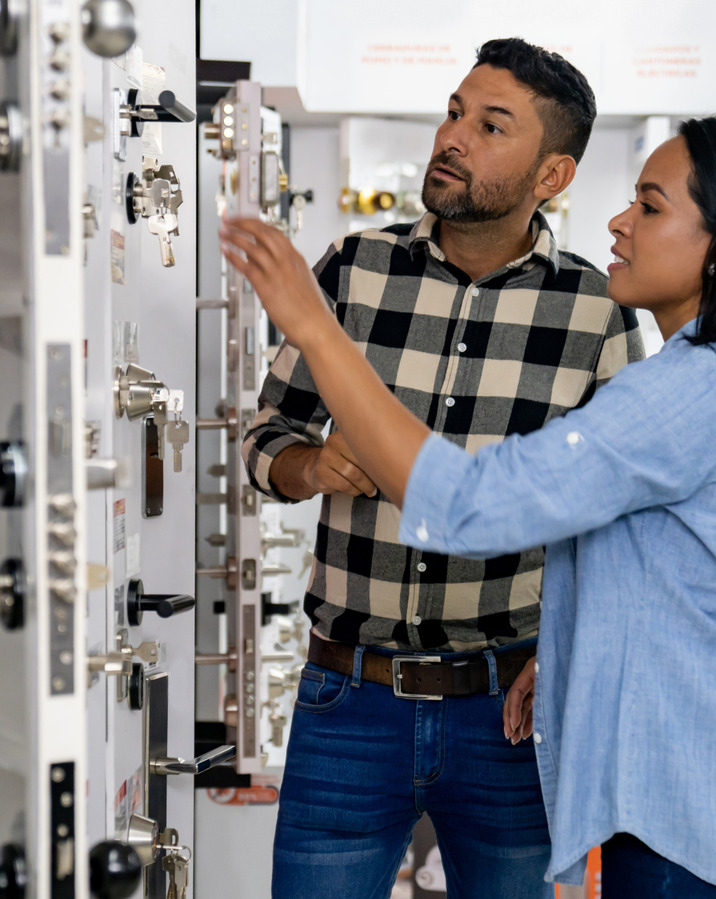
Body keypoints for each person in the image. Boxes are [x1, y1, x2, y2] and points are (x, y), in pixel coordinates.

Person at [223, 113, 716, 899]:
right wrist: (565, 651)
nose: (619, 222)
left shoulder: (691, 389)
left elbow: (469, 505)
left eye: (651, 207)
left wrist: (318, 330)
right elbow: (694, 585)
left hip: (694, 838)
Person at [240, 38, 643, 899]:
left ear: (552, 176)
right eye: (455, 111)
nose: (453, 136)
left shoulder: (596, 311)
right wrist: (311, 466)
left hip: (509, 714)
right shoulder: (354, 269)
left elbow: (616, 517)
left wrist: (570, 643)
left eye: (492, 126)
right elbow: (264, 438)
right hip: (347, 699)